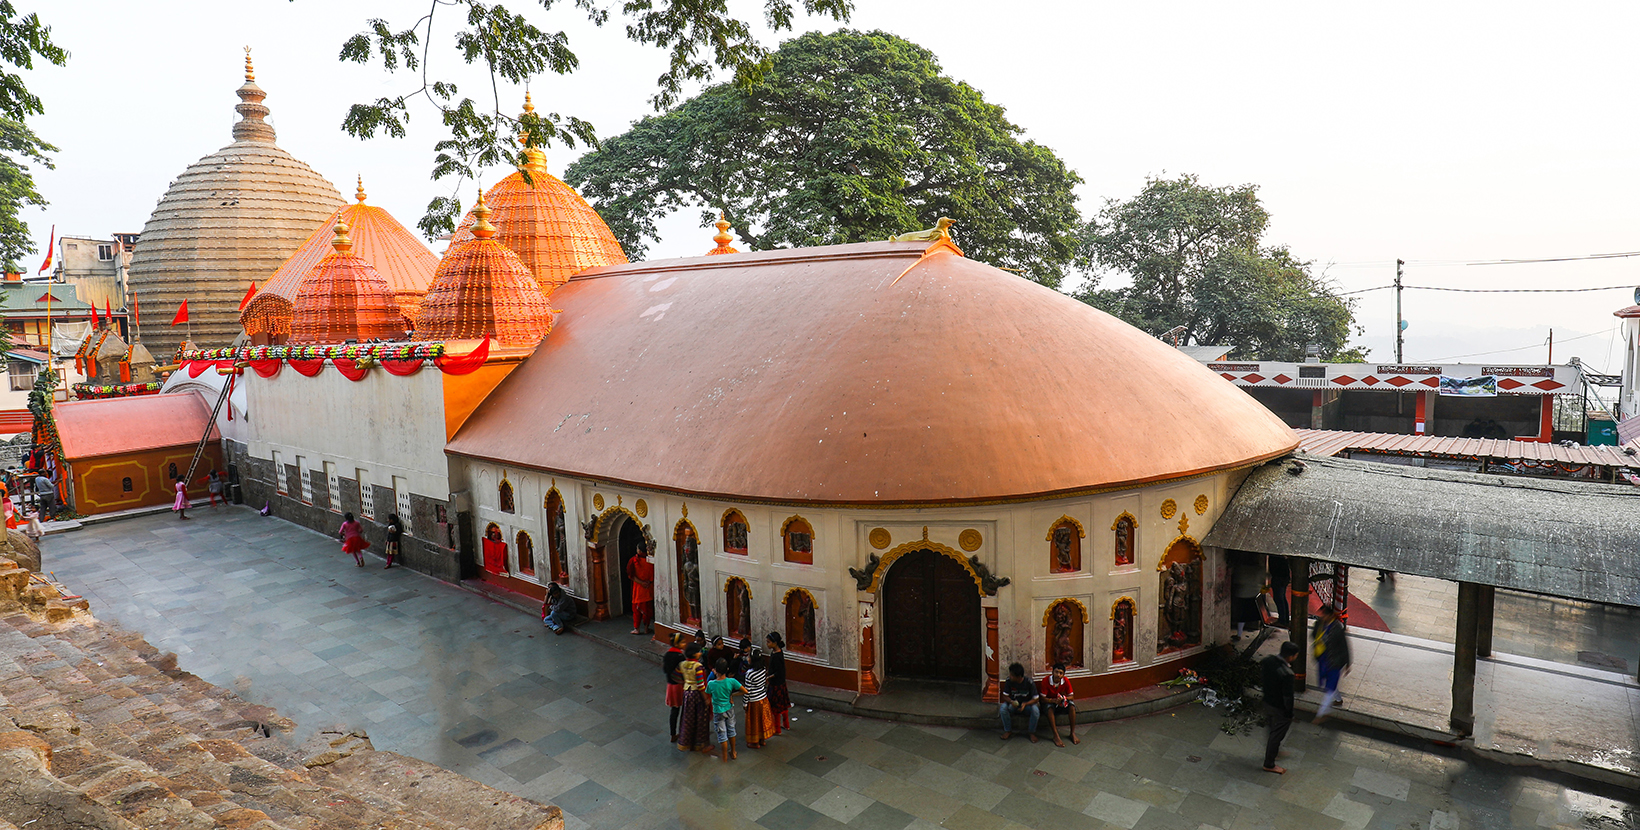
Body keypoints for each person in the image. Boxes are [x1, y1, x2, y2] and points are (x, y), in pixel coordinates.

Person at [1261, 641, 1299, 774]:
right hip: (1279, 708)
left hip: (1267, 701)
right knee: (1276, 735)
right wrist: (1289, 713)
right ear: (1291, 656)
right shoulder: (1287, 674)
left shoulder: (1268, 661)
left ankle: (1274, 751)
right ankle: (1269, 763)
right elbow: (1288, 697)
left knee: (1272, 728)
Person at [1312, 603, 1351, 722]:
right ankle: (1338, 699)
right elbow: (1314, 635)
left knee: (1330, 686)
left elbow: (1344, 646)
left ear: (1329, 616)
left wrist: (1347, 663)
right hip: (1323, 658)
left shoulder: (1337, 629)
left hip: (1334, 661)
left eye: (1323, 615)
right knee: (1328, 682)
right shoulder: (1319, 624)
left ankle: (1321, 714)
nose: (1321, 617)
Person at [675, 643, 713, 752]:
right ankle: (701, 744)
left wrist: (685, 684)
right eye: (698, 651)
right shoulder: (698, 667)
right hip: (697, 695)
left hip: (687, 693)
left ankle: (688, 743)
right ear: (694, 654)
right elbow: (701, 685)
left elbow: (676, 677)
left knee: (689, 718)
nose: (700, 653)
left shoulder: (682, 664)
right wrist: (706, 698)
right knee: (701, 719)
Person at [705, 658, 744, 761]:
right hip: (729, 709)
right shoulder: (732, 681)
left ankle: (725, 757)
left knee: (722, 734)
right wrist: (732, 695)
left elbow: (707, 693)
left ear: (715, 670)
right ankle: (733, 752)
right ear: (727, 669)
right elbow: (745, 691)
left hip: (718, 711)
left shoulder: (711, 684)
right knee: (731, 730)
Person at [998, 662, 1040, 742]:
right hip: (1013, 705)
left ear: (1019, 677)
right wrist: (1011, 702)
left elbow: (1036, 699)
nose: (1010, 676)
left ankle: (1031, 732)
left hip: (1027, 705)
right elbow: (1005, 696)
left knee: (1036, 711)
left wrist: (1025, 704)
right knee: (1003, 709)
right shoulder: (1009, 681)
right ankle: (1008, 730)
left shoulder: (1029, 683)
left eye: (1012, 675)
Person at [1039, 663, 1079, 746]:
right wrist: (1052, 700)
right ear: (1052, 672)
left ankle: (1072, 733)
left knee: (1072, 706)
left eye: (1061, 673)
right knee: (1049, 709)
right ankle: (1056, 735)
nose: (1058, 675)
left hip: (1060, 701)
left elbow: (1071, 696)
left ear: (1063, 675)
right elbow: (1042, 698)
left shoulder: (1066, 681)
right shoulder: (1045, 680)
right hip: (1049, 702)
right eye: (1056, 672)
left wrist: (1063, 698)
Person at [742, 651, 775, 749]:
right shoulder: (763, 670)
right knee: (762, 720)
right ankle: (762, 740)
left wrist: (745, 703)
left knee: (754, 722)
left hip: (753, 701)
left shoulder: (749, 674)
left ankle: (754, 742)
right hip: (763, 698)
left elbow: (747, 690)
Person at [1231, 552, 1266, 641]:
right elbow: (1266, 577)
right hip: (1255, 595)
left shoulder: (1241, 568)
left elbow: (1236, 580)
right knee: (1260, 615)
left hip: (1242, 594)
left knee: (1241, 617)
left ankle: (1239, 634)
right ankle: (1263, 632)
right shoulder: (1259, 569)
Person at [766, 632, 791, 734]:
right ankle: (786, 724)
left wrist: (768, 676)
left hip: (776, 684)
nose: (767, 644)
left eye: (768, 642)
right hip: (781, 683)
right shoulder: (778, 653)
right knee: (783, 706)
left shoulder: (776, 656)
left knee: (775, 708)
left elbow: (777, 672)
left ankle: (777, 729)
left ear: (775, 643)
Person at [663, 633, 686, 742]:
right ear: (677, 643)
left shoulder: (667, 654)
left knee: (674, 710)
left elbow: (664, 670)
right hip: (679, 686)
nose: (684, 644)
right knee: (684, 710)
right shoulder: (680, 656)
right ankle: (683, 732)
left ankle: (673, 734)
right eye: (682, 642)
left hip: (670, 686)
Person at [628, 550, 654, 635]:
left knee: (636, 610)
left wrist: (641, 583)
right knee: (648, 610)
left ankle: (637, 629)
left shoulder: (634, 560)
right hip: (649, 588)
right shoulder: (651, 560)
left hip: (638, 589)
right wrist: (648, 583)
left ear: (638, 550)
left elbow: (631, 575)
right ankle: (646, 628)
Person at [1268, 554, 1291, 626]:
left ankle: (1282, 620)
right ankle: (1285, 619)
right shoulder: (1282, 557)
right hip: (1282, 578)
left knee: (1279, 599)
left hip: (1278, 578)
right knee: (1282, 599)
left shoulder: (1275, 557)